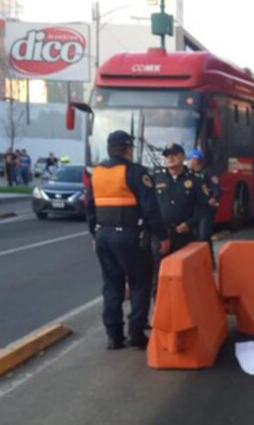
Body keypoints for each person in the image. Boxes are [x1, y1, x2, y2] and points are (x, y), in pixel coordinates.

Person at [85, 130, 169, 350]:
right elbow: (151, 210)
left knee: (112, 286)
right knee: (140, 284)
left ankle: (114, 336)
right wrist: (163, 236)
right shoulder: (135, 172)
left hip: (103, 236)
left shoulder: (98, 174)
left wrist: (94, 234)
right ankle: (136, 333)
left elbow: (90, 208)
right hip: (131, 237)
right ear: (128, 149)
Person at [152, 144, 209, 293]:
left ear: (183, 157)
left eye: (174, 154)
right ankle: (160, 313)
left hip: (184, 235)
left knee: (183, 277)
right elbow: (149, 206)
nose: (170, 158)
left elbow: (204, 207)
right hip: (161, 235)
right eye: (167, 155)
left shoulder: (194, 180)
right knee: (158, 277)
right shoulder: (156, 177)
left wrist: (190, 224)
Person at [187, 149, 220, 243]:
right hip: (194, 209)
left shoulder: (209, 173)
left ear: (196, 160)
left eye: (190, 160)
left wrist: (214, 198)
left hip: (206, 209)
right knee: (194, 235)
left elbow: (217, 188)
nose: (189, 162)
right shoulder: (189, 174)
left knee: (204, 235)